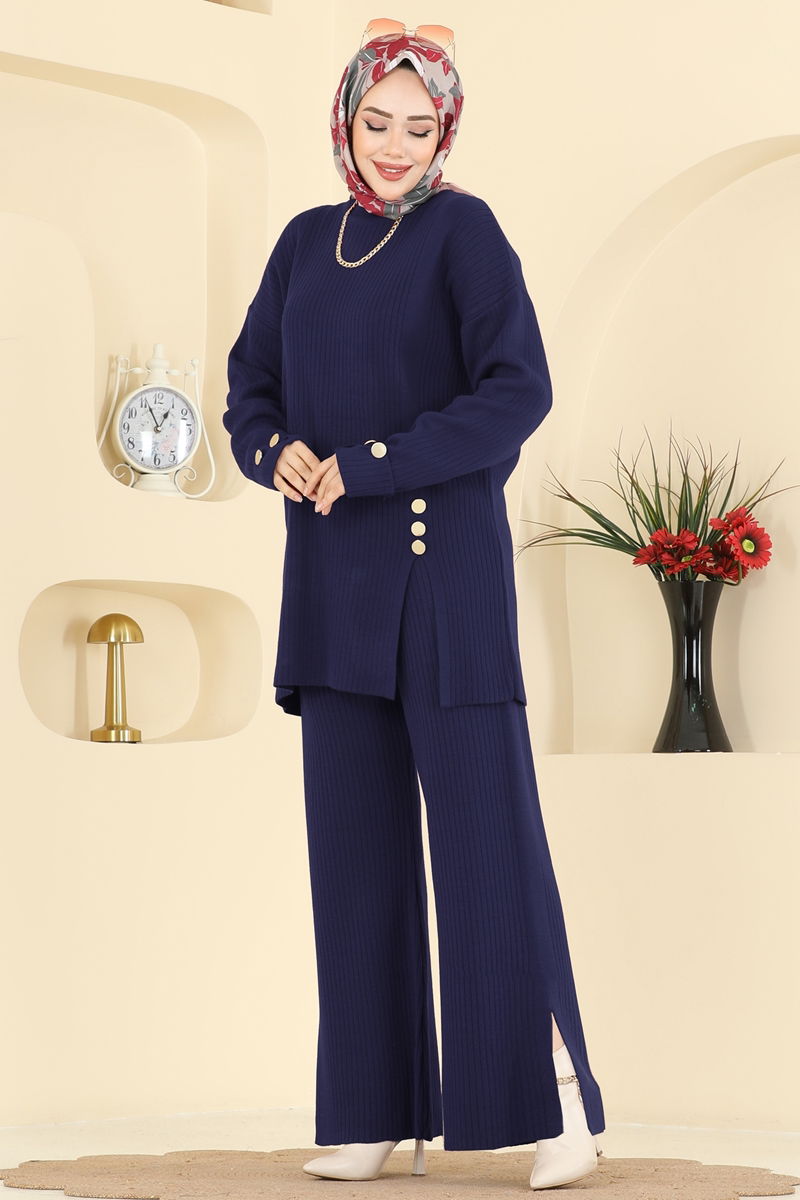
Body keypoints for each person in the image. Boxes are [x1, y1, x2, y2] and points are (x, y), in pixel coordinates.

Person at [222, 23, 606, 1190]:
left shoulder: (463, 232)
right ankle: (371, 1112)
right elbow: (248, 390)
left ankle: (557, 1108)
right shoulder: (303, 243)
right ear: (344, 120)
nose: (393, 145)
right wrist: (275, 452)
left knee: (487, 855)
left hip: (444, 590)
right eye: (374, 121)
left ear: (445, 131)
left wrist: (373, 462)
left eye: (417, 126)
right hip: (331, 594)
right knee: (354, 863)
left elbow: (515, 392)